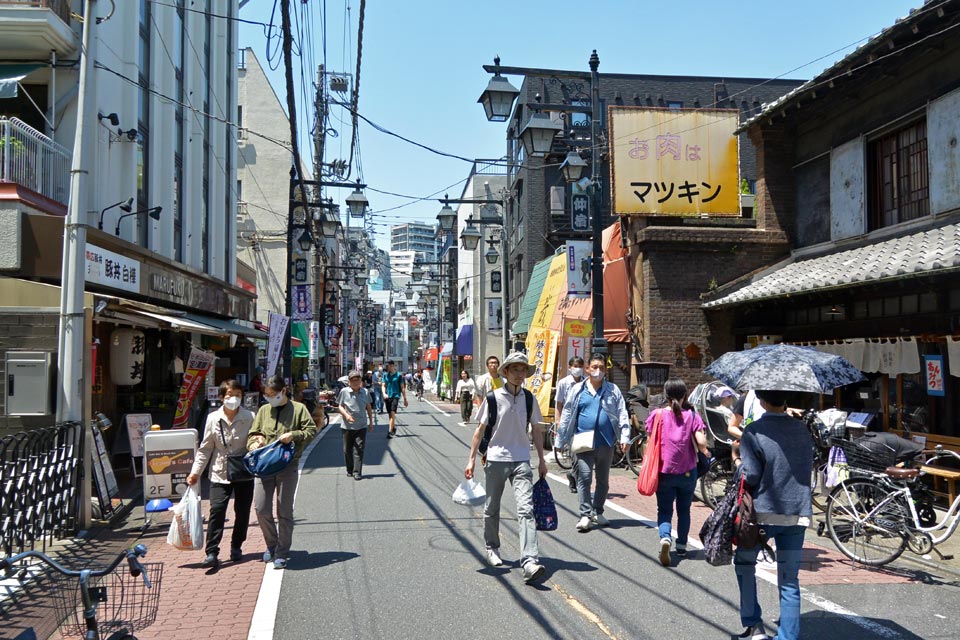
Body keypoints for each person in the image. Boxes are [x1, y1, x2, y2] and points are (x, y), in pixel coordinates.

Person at [734, 389, 813, 640]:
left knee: (745, 563)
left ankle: (754, 624)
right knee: (789, 579)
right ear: (785, 401)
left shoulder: (754, 431)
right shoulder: (802, 430)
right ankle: (788, 636)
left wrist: (737, 462)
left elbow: (752, 475)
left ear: (761, 401)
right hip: (796, 512)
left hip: (762, 514)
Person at [465, 351, 548, 584]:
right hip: (495, 458)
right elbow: (479, 431)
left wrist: (541, 460)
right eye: (515, 370)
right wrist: (471, 459)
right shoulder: (492, 398)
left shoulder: (529, 398)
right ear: (506, 372)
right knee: (492, 508)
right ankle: (492, 547)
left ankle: (530, 560)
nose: (520, 374)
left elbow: (537, 430)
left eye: (523, 370)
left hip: (522, 459)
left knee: (526, 509)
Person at [246, 375, 317, 569]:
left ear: (283, 391)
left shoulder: (298, 409)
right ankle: (272, 544)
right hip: (264, 466)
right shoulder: (263, 411)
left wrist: (293, 435)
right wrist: (255, 442)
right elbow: (253, 433)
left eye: (273, 394)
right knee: (261, 508)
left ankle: (282, 552)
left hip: (287, 465)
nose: (269, 398)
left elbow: (311, 431)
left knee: (284, 511)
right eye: (267, 395)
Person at [556, 355, 631, 532]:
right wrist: (561, 439)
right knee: (584, 476)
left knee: (603, 480)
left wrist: (625, 437)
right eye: (595, 367)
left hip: (606, 441)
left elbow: (622, 412)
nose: (598, 371)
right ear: (588, 369)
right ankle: (585, 514)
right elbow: (567, 414)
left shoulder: (613, 390)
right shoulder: (577, 390)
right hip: (582, 441)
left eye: (602, 367)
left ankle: (598, 511)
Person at [187, 379, 255, 569]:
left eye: (237, 395)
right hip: (219, 472)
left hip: (243, 472)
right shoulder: (213, 418)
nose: (233, 399)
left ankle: (236, 546)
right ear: (221, 397)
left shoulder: (250, 416)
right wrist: (195, 473)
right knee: (216, 510)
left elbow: (256, 441)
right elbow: (206, 448)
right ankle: (211, 552)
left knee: (242, 512)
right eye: (229, 395)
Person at [646, 378, 710, 566]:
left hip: (664, 471)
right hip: (687, 472)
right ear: (685, 395)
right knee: (684, 510)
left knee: (664, 510)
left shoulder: (657, 415)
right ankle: (681, 547)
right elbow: (702, 443)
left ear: (665, 396)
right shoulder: (691, 415)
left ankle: (665, 538)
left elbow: (650, 440)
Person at [555, 356, 586, 493]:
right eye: (575, 366)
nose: (577, 369)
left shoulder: (587, 382)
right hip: (569, 421)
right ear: (569, 367)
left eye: (580, 366)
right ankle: (579, 481)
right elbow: (559, 403)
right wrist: (558, 420)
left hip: (584, 422)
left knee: (584, 454)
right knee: (576, 453)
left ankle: (573, 475)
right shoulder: (564, 383)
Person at [337, 370, 375, 480]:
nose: (355, 382)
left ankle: (357, 472)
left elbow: (368, 407)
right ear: (349, 382)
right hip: (347, 426)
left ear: (361, 381)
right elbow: (340, 406)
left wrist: (371, 422)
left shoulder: (365, 392)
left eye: (357, 380)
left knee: (359, 449)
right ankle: (350, 469)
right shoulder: (344, 392)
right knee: (347, 449)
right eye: (353, 380)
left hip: (361, 425)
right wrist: (346, 415)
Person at [380, 360, 408, 438]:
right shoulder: (385, 375)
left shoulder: (399, 376)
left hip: (396, 396)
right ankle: (393, 427)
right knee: (390, 414)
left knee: (392, 412)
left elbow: (402, 387)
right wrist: (384, 393)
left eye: (388, 366)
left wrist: (405, 398)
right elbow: (383, 385)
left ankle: (389, 431)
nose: (387, 367)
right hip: (387, 396)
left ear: (392, 366)